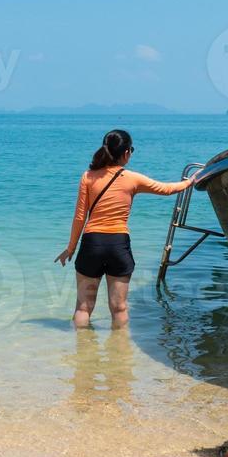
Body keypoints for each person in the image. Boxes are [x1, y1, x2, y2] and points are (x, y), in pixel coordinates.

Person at [55, 130, 192, 329]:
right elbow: (167, 189)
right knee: (119, 308)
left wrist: (71, 248)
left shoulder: (88, 177)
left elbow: (79, 217)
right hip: (118, 245)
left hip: (91, 244)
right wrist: (192, 180)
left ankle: (82, 355)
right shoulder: (132, 178)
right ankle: (120, 356)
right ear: (126, 153)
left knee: (83, 308)